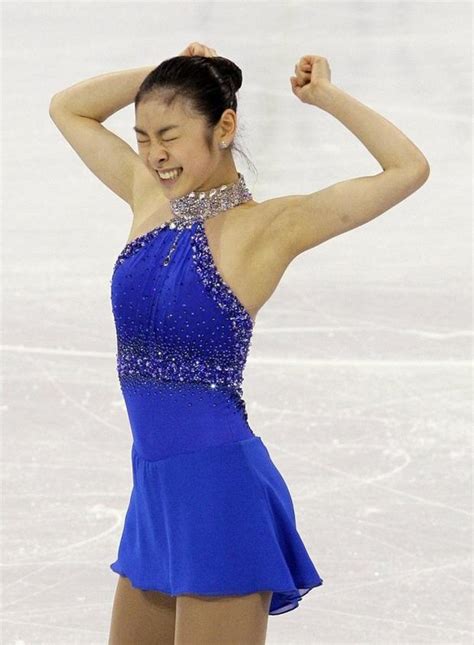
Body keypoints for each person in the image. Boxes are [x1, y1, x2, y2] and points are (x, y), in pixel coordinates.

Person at [49, 41, 430, 645]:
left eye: (169, 134)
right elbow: (68, 108)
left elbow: (407, 170)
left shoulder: (268, 229)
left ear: (223, 127)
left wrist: (326, 97)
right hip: (154, 491)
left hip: (219, 491)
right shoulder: (150, 198)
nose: (153, 155)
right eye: (143, 137)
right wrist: (169, 75)